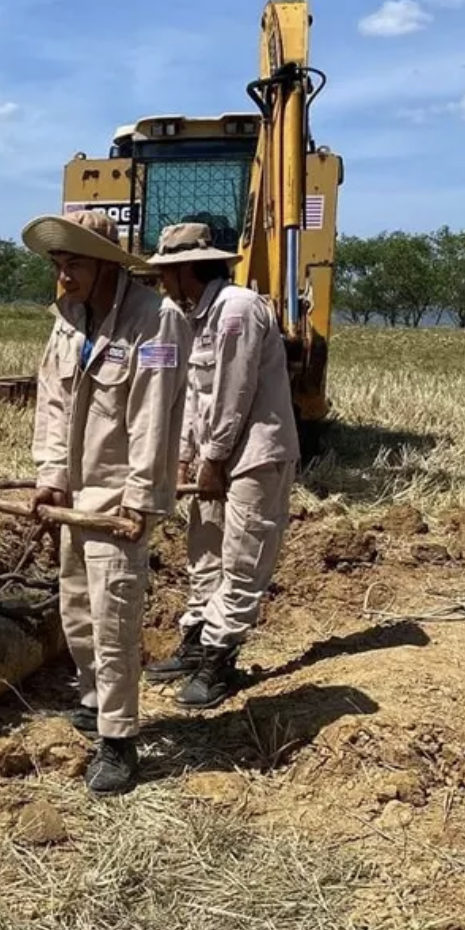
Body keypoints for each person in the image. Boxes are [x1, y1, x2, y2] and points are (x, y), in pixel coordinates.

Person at [27, 209, 191, 796]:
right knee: (76, 608)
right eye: (58, 262)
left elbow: (154, 417)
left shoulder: (157, 322)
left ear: (105, 263)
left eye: (73, 262)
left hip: (119, 498)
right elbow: (51, 401)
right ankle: (96, 702)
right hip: (74, 494)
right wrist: (49, 475)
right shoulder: (67, 320)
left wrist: (142, 498)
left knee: (114, 616)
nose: (63, 274)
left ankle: (119, 739)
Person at [141, 221, 301, 708]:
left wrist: (211, 456)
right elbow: (193, 395)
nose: (161, 283)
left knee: (242, 558)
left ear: (187, 269)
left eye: (166, 273)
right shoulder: (189, 317)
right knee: (204, 551)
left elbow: (235, 391)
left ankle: (218, 659)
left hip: (255, 454)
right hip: (214, 454)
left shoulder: (238, 310)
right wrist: (186, 457)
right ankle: (195, 641)